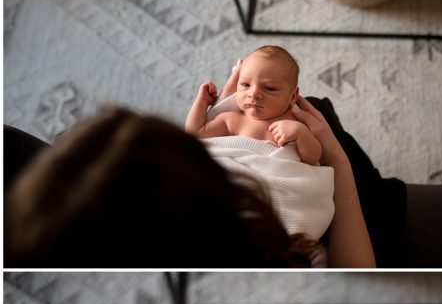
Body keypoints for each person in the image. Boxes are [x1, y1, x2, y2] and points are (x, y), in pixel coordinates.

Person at [4, 95, 375, 268]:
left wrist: (230, 106)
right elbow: (356, 269)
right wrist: (337, 160)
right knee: (314, 109)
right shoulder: (264, 248)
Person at [187, 46, 323, 165]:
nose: (253, 94)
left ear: (292, 96)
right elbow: (196, 134)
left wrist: (301, 133)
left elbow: (313, 158)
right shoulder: (232, 120)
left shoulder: (296, 121)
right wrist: (202, 102)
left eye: (269, 88)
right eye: (246, 85)